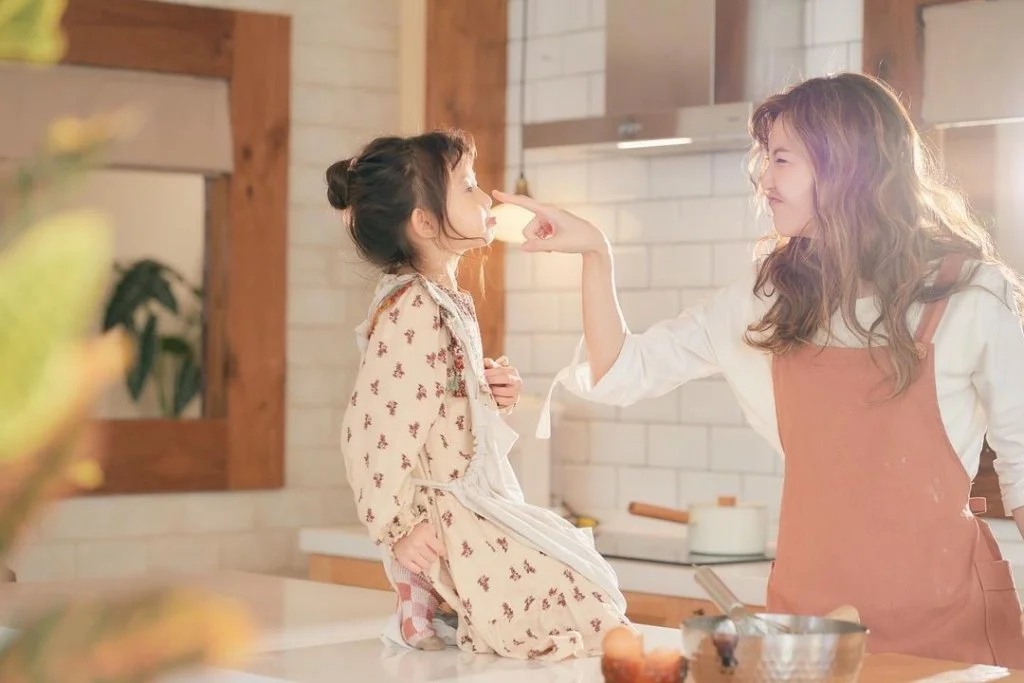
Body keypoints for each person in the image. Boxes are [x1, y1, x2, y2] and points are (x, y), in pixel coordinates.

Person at [498, 72, 1024, 666]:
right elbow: (622, 370)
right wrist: (597, 252)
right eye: (765, 158)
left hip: (946, 630)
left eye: (782, 159)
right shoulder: (768, 298)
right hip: (810, 630)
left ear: (847, 166)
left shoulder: (969, 294)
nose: (764, 180)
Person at [330, 130, 632, 660]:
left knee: (585, 589)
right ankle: (420, 587)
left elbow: (437, 409)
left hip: (470, 502)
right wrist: (398, 530)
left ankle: (431, 603)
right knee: (581, 600)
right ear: (425, 224)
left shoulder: (439, 300)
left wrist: (490, 392)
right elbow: (374, 430)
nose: (486, 197)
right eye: (468, 186)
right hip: (446, 517)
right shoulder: (413, 307)